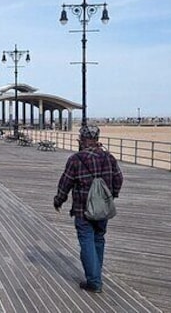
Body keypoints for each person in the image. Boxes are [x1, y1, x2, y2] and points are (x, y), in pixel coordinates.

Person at [53, 124, 123, 294]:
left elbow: (65, 183)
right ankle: (96, 276)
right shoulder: (108, 157)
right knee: (99, 239)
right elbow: (119, 179)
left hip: (82, 209)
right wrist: (111, 195)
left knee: (87, 241)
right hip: (102, 208)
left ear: (82, 139)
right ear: (97, 139)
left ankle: (94, 281)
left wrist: (59, 200)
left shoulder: (75, 160)